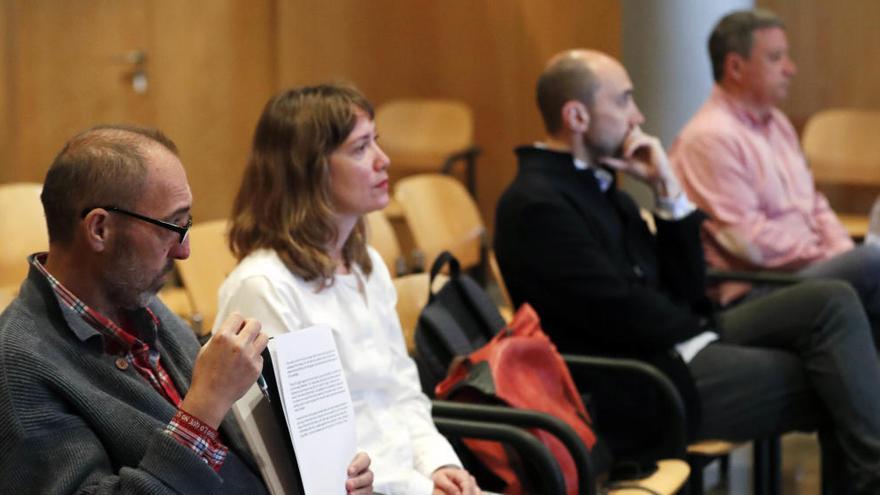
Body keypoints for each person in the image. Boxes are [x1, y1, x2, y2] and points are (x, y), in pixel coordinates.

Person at [493, 48, 880, 493]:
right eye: (623, 101)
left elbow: (687, 289)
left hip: (679, 342)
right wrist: (697, 327)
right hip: (644, 382)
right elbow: (617, 313)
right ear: (577, 116)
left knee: (832, 300)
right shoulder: (536, 204)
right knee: (845, 379)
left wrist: (668, 192)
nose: (637, 115)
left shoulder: (598, 185)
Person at [0, 124, 373, 494]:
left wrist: (324, 477)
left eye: (187, 223)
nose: (184, 250)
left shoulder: (140, 304)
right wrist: (204, 407)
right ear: (100, 229)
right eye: (172, 225)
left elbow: (239, 459)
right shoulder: (18, 364)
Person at [214, 84, 482, 495]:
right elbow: (311, 456)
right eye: (360, 149)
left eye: (377, 141)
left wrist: (436, 462)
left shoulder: (365, 264)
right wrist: (418, 488)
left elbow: (401, 389)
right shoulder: (264, 287)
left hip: (409, 480)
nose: (383, 160)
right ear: (309, 170)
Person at [670, 9, 880, 315]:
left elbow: (814, 204)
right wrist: (828, 257)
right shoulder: (708, 139)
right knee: (870, 264)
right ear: (735, 67)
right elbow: (748, 241)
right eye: (776, 57)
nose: (791, 69)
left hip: (802, 270)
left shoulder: (777, 123)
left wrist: (842, 252)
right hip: (758, 286)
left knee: (867, 266)